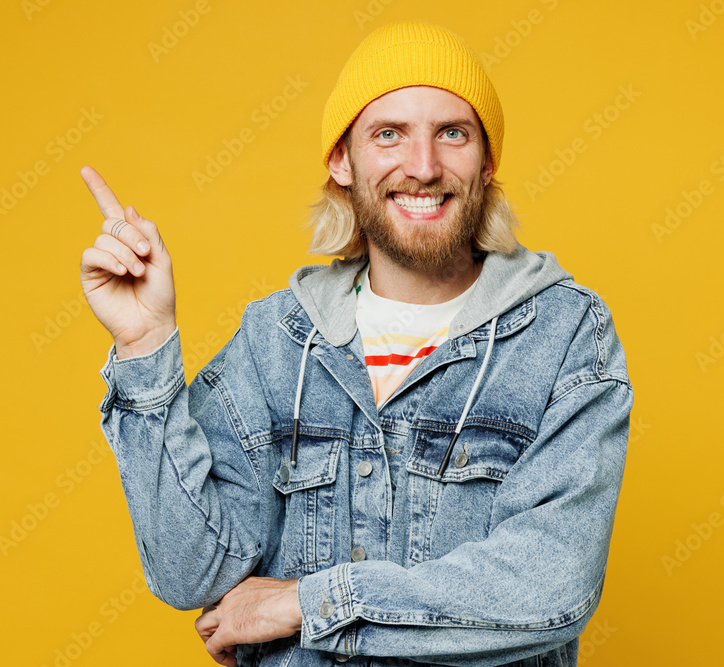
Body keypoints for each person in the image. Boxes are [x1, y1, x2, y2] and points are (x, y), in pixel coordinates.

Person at [79, 20, 633, 667]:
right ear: (342, 160)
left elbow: (551, 583)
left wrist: (312, 602)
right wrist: (145, 346)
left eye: (452, 133)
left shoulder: (564, 335)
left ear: (486, 163)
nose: (422, 167)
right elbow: (192, 573)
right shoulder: (275, 340)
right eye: (389, 133)